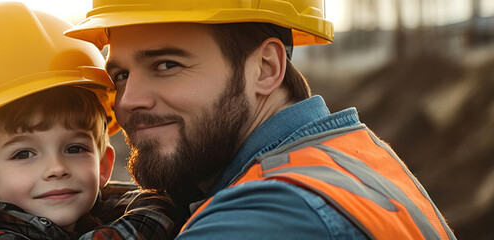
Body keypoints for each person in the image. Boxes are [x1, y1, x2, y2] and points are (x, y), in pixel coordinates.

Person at [63, 0, 457, 239]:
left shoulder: (265, 215)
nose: (129, 100)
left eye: (167, 64)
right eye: (121, 75)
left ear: (266, 68)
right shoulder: (343, 155)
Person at [0, 2, 182, 239]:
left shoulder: (124, 210)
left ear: (103, 165)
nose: (57, 168)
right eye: (23, 154)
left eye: (75, 149)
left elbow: (153, 206)